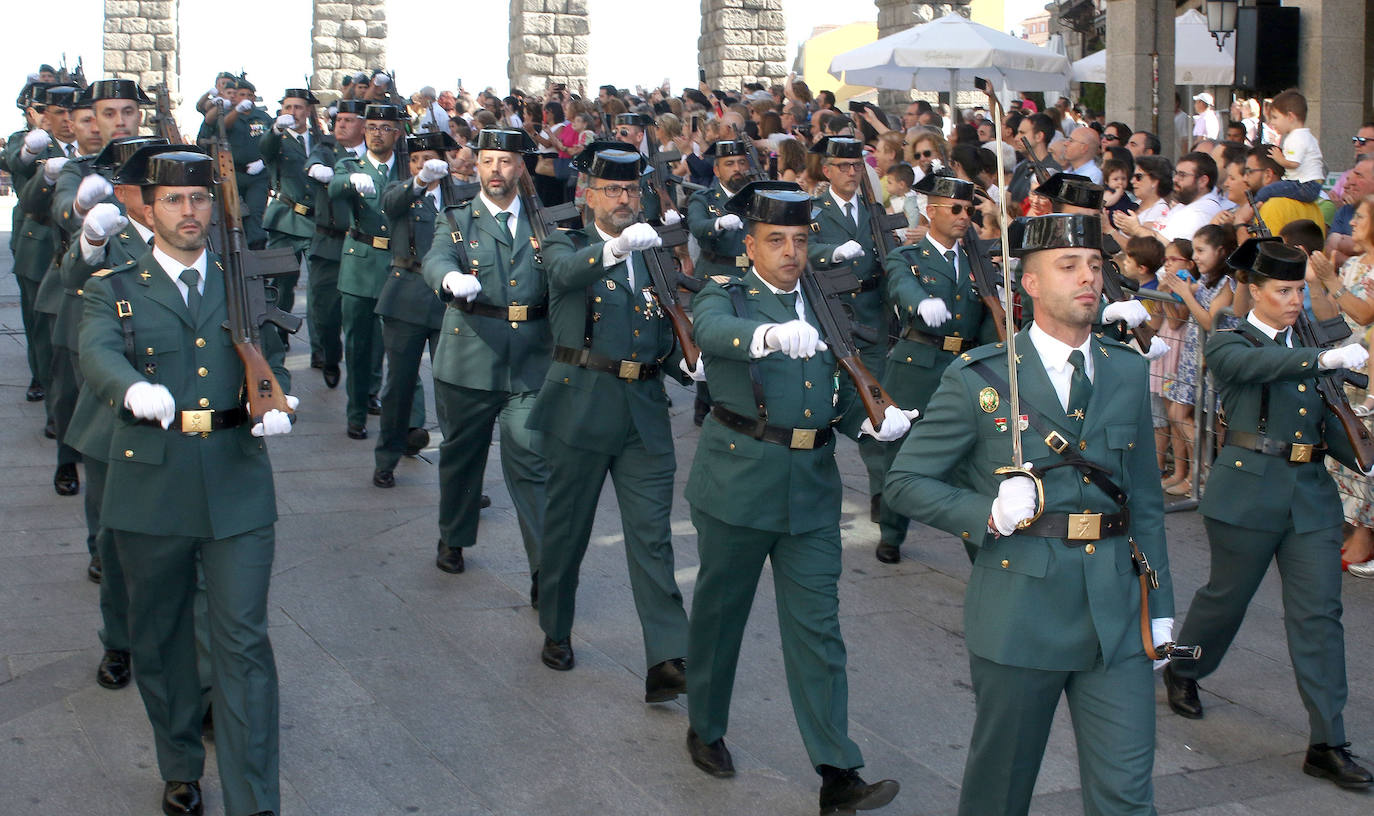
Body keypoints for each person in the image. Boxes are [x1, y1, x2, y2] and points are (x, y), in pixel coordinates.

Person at [885, 212, 1175, 816]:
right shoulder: (982, 376)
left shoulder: (1124, 367)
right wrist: (988, 512)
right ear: (1031, 285)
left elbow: (1145, 501)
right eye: (1068, 266)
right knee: (1001, 790)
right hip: (1021, 610)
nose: (1088, 278)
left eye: (1095, 265)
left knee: (1126, 793)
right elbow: (906, 482)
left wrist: (1162, 609)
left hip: (1117, 613)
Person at [79, 148, 294, 816]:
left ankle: (254, 800)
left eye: (199, 198)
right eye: (174, 200)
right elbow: (96, 351)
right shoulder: (112, 284)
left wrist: (280, 402)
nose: (189, 212)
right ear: (149, 206)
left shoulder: (246, 279)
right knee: (163, 636)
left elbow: (273, 356)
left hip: (237, 481)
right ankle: (178, 760)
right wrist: (131, 389)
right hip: (152, 484)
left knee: (244, 643)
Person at [683, 180, 907, 815]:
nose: (790, 252)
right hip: (738, 482)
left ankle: (838, 769)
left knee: (818, 629)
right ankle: (705, 723)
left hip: (810, 491)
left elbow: (837, 395)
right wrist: (768, 336)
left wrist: (869, 420)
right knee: (722, 616)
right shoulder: (725, 291)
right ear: (750, 245)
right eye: (775, 240)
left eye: (800, 240)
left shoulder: (825, 305)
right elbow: (711, 331)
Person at [1162, 237, 1374, 792]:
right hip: (1248, 489)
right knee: (1225, 599)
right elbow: (1250, 365)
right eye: (1283, 290)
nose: (1294, 300)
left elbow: (1330, 412)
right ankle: (1186, 667)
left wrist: (1362, 454)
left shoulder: (1309, 338)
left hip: (1310, 496)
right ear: (1254, 291)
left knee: (1319, 618)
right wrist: (1322, 357)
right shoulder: (1231, 338)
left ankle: (1328, 742)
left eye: (1300, 289)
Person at [529, 141, 692, 692]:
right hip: (581, 402)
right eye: (614, 190)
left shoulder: (652, 251)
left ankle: (668, 656)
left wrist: (684, 365)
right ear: (588, 195)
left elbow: (662, 327)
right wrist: (617, 248)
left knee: (652, 536)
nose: (625, 199)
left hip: (643, 410)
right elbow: (567, 275)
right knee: (567, 529)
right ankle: (556, 625)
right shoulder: (565, 243)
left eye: (632, 190)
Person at [421, 128, 561, 578]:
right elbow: (436, 258)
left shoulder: (546, 225)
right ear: (476, 166)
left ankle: (544, 570)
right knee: (463, 457)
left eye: (504, 161)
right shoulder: (457, 219)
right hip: (469, 358)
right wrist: (449, 279)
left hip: (531, 363)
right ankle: (453, 535)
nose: (495, 170)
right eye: (487, 161)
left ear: (520, 167)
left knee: (533, 466)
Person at [876, 172, 998, 563]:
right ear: (931, 212)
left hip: (964, 367)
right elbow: (900, 284)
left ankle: (979, 548)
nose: (965, 216)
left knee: (969, 461)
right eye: (956, 209)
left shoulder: (978, 259)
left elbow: (993, 312)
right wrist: (918, 303)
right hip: (918, 364)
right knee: (902, 454)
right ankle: (891, 533)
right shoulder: (908, 256)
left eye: (970, 209)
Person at [807, 136, 892, 527]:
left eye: (857, 166)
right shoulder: (815, 211)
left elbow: (891, 253)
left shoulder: (875, 210)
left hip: (873, 315)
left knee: (875, 403)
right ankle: (816, 483)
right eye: (843, 166)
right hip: (831, 314)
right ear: (827, 171)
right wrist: (831, 253)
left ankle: (881, 493)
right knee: (819, 403)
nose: (852, 173)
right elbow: (801, 249)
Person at [371, 130, 462, 488]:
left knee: (453, 388)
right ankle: (386, 458)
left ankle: (459, 478)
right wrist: (421, 180)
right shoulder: (403, 193)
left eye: (429, 159)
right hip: (407, 295)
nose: (422, 165)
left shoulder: (461, 196)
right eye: (414, 160)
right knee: (400, 384)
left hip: (450, 299)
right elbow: (389, 203)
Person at [329, 103, 406, 440]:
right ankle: (356, 411)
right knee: (359, 344)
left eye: (384, 127)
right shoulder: (351, 164)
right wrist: (349, 182)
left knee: (392, 344)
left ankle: (377, 395)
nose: (377, 133)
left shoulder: (405, 169)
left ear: (397, 133)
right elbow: (334, 185)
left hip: (397, 265)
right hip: (360, 263)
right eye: (372, 126)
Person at [1308, 199, 1374, 578]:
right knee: (1343, 449)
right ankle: (1351, 529)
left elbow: (1366, 313)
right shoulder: (1351, 265)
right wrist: (1319, 283)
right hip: (1343, 365)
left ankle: (1365, 534)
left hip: (1369, 372)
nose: (1354, 222)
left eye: (1362, 217)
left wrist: (1331, 282)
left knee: (1366, 451)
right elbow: (1330, 316)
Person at [304, 98, 368, 387]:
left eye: (349, 120)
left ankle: (368, 388)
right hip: (329, 246)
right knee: (326, 316)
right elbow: (313, 163)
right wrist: (319, 170)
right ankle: (330, 354)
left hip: (364, 248)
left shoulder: (375, 156)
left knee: (364, 323)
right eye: (338, 119)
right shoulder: (327, 149)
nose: (340, 124)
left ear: (364, 126)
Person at [259, 88, 321, 337]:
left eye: (298, 107)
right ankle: (277, 337)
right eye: (288, 108)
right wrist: (275, 130)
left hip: (318, 222)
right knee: (281, 284)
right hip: (286, 220)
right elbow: (265, 149)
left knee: (319, 289)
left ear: (308, 111)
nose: (293, 113)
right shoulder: (278, 138)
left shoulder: (320, 140)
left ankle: (320, 349)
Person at [1253, 89, 1325, 207]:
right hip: (1311, 185)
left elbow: (1293, 163)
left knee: (1266, 191)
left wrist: (1279, 158)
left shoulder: (1296, 137)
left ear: (1290, 117)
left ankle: (1253, 211)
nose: (1272, 122)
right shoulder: (1306, 136)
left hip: (1304, 185)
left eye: (1275, 117)